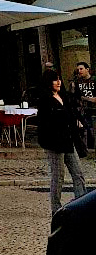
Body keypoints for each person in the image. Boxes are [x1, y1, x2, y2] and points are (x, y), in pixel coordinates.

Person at [37, 67, 88, 220]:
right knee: (58, 176)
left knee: (78, 173)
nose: (58, 82)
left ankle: (81, 204)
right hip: (54, 143)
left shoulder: (63, 97)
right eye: (55, 79)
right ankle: (56, 208)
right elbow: (45, 123)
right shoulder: (45, 99)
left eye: (59, 79)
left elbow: (71, 115)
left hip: (68, 141)